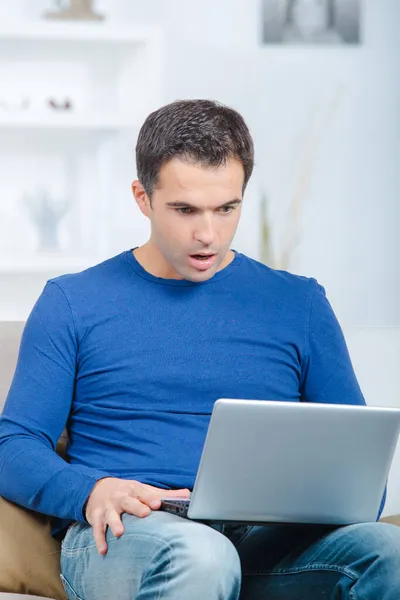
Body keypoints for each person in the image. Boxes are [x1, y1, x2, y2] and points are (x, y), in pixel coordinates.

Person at [0, 98, 399, 600]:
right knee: (200, 556)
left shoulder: (300, 303)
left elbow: (359, 473)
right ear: (142, 197)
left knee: (390, 551)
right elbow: (11, 448)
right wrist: (91, 491)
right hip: (132, 534)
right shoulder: (73, 302)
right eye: (185, 210)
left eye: (226, 208)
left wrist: (331, 501)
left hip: (265, 541)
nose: (207, 234)